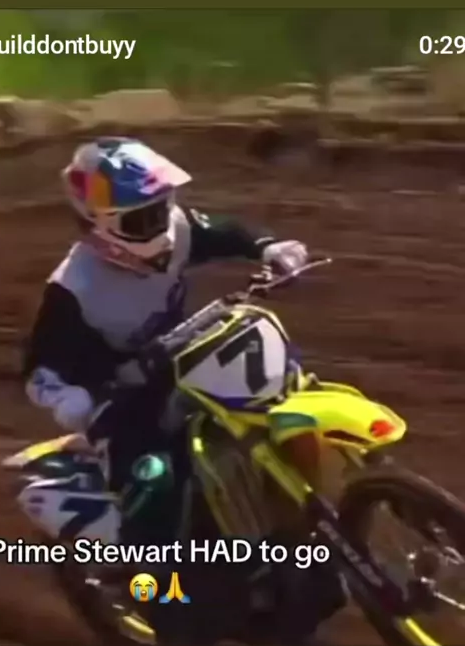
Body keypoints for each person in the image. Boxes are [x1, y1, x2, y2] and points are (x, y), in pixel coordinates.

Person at [23, 136, 309, 546]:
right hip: (120, 395)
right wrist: (70, 398)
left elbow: (222, 233)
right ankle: (154, 562)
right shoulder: (74, 289)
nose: (161, 229)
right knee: (154, 476)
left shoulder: (177, 228)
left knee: (270, 379)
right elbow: (39, 369)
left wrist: (268, 247)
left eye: (161, 209)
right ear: (97, 226)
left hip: (180, 355)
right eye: (141, 220)